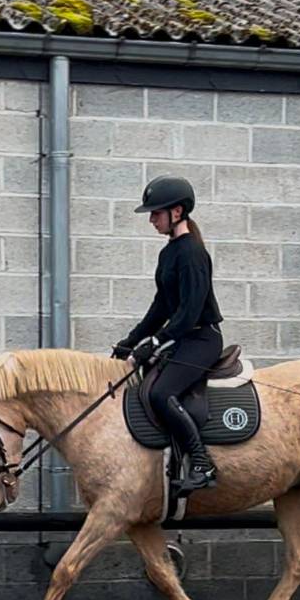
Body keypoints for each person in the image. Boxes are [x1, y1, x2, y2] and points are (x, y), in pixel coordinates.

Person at [112, 175, 223, 493]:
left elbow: (189, 312)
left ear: (177, 212)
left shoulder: (192, 254)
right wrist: (131, 340)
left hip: (202, 339)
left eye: (156, 213)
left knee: (161, 394)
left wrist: (157, 342)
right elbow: (161, 306)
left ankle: (202, 464)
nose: (151, 220)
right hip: (185, 336)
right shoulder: (170, 253)